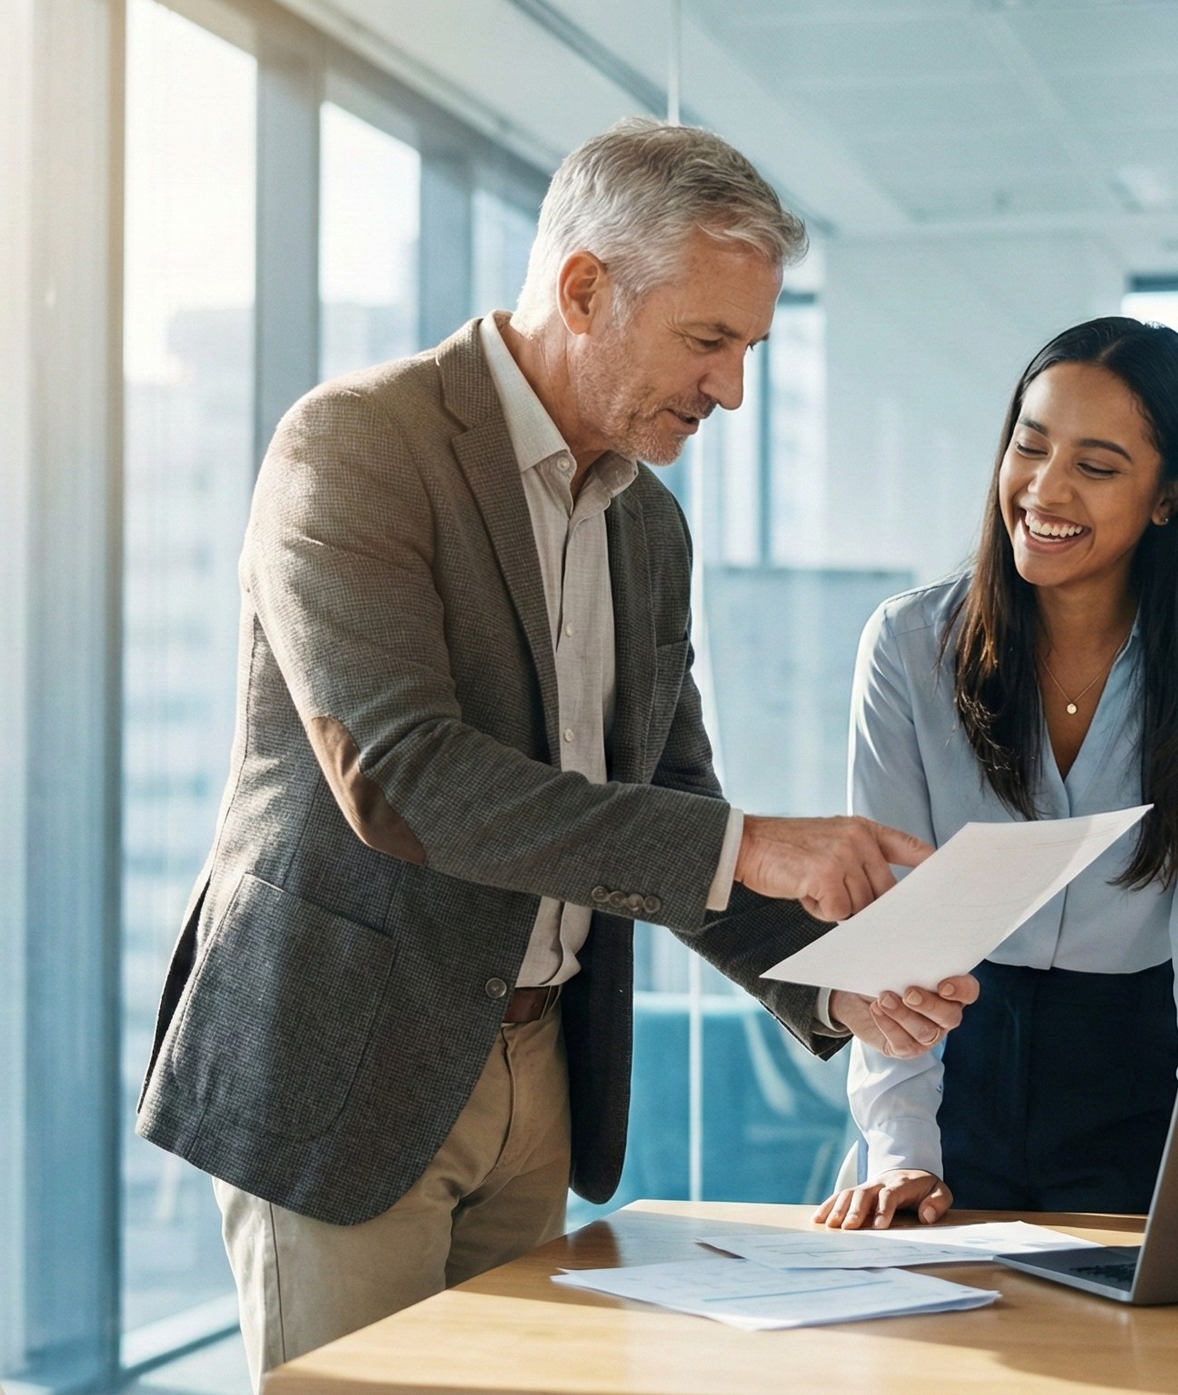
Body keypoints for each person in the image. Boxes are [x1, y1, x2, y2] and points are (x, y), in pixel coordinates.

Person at [135, 119, 978, 1375]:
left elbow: (667, 810)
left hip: (541, 1067)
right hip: (353, 1066)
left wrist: (830, 983)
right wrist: (755, 846)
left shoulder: (650, 532)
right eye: (707, 340)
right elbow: (403, 779)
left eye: (746, 347)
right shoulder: (355, 446)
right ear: (584, 289)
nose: (730, 389)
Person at [812, 317, 1178, 1229]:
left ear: (1168, 497)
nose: (1045, 488)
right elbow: (896, 923)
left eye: (1098, 467)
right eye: (1030, 446)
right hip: (955, 1055)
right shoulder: (910, 647)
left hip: (1138, 1070)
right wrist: (903, 1148)